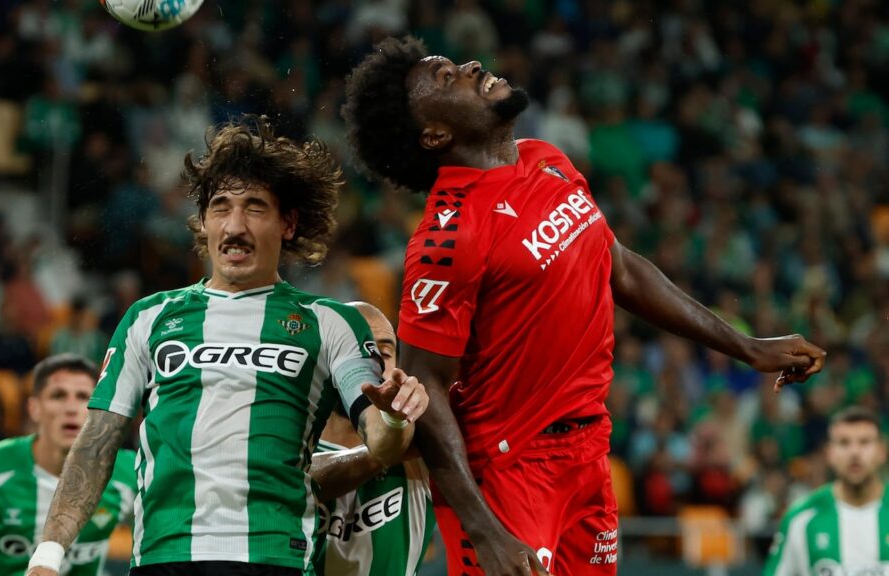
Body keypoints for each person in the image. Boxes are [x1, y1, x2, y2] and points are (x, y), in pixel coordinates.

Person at [341, 36, 827, 576]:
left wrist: (748, 347)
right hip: (508, 472)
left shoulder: (546, 160)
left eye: (456, 64)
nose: (470, 66)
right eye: (447, 77)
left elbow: (620, 267)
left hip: (588, 452)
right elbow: (425, 386)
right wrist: (485, 529)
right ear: (435, 134)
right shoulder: (446, 237)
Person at [26, 116, 429, 576]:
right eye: (220, 207)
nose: (234, 226)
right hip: (163, 558)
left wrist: (393, 415)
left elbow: (382, 442)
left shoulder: (331, 323)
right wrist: (48, 555)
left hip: (273, 560)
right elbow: (96, 443)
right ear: (203, 222)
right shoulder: (148, 318)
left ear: (288, 223)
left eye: (254, 208)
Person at [0, 354, 136, 576]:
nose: (71, 407)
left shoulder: (127, 472)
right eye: (58, 396)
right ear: (34, 408)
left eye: (83, 397)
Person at [310, 301, 436, 576]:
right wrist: (388, 450)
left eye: (384, 352)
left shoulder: (425, 433)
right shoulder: (289, 435)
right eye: (353, 350)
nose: (372, 362)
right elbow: (295, 478)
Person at [764, 406, 888, 575]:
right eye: (844, 443)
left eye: (864, 442)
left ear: (882, 451)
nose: (854, 452)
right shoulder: (801, 518)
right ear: (830, 453)